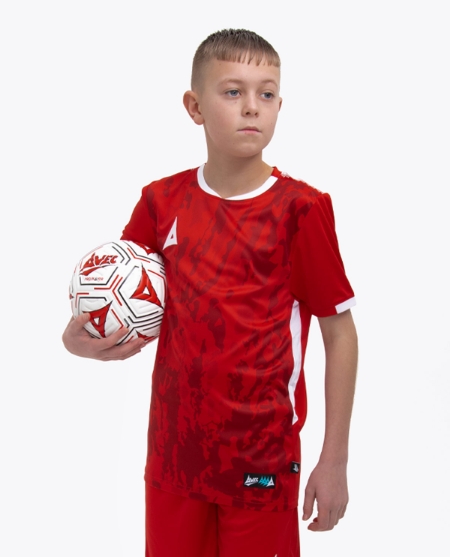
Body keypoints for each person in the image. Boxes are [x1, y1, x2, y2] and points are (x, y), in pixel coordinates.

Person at [63, 28, 358, 557]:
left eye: (266, 94)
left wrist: (332, 461)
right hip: (174, 459)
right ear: (194, 107)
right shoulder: (161, 201)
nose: (252, 108)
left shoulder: (302, 210)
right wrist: (75, 339)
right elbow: (120, 292)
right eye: (232, 92)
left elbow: (341, 334)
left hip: (259, 459)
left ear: (279, 105)